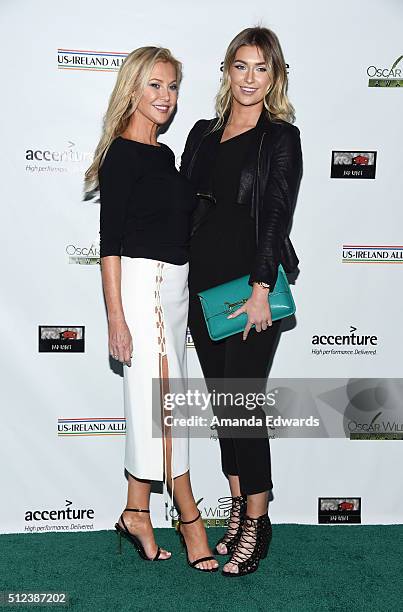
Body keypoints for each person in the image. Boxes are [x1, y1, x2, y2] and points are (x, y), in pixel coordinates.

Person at [85, 46, 218, 571]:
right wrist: (116, 316)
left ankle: (137, 510)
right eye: (155, 85)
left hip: (175, 291)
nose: (165, 97)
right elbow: (110, 243)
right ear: (133, 90)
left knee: (158, 403)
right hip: (144, 289)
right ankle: (190, 521)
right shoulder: (121, 154)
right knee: (168, 409)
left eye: (172, 87)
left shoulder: (164, 156)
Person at [181, 26, 302, 576]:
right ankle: (235, 503)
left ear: (274, 76)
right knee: (222, 405)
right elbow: (183, 205)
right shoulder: (204, 134)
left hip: (249, 288)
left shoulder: (281, 137)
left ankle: (258, 517)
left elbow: (276, 214)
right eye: (240, 66)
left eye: (262, 68)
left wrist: (260, 288)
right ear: (226, 70)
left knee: (243, 406)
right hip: (202, 285)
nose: (250, 78)